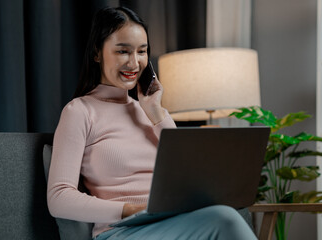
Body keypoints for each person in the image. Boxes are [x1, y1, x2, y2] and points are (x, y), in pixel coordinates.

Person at [47, 6, 257, 240]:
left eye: (142, 51)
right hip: (120, 231)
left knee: (224, 214)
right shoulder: (80, 111)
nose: (134, 63)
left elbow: (188, 172)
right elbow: (59, 198)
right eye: (123, 51)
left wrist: (156, 111)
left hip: (170, 223)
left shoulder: (150, 111)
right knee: (224, 219)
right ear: (97, 53)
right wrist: (131, 210)